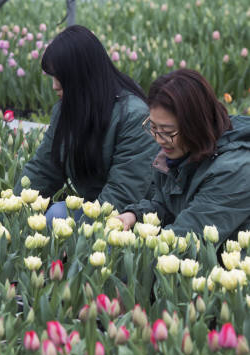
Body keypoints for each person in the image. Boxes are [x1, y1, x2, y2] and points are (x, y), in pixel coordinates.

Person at [14, 25, 159, 224]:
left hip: (133, 218)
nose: (55, 85)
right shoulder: (68, 109)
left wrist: (82, 237)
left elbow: (123, 192)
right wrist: (11, 211)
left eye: (61, 77)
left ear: (82, 75)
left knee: (57, 216)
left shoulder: (134, 116)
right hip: (94, 208)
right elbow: (44, 168)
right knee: (56, 215)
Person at [118, 69, 250, 244]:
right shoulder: (178, 152)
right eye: (153, 127)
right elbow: (167, 206)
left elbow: (188, 240)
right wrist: (134, 215)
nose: (158, 139)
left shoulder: (234, 170)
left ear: (195, 124)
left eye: (166, 131)